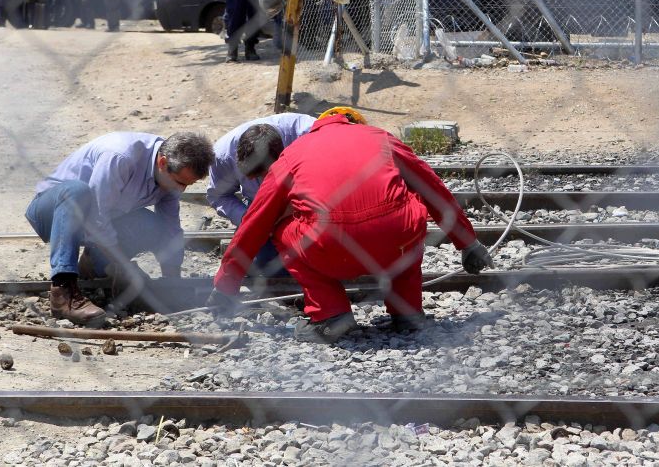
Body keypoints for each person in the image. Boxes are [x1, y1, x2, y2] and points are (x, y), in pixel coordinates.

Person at [205, 113, 494, 343]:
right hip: (395, 244)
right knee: (410, 212)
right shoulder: (380, 137)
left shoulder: (291, 157)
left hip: (329, 250)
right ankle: (407, 312)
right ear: (352, 122)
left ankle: (331, 314)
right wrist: (467, 242)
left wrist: (225, 286)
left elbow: (254, 226)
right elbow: (433, 188)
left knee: (280, 229)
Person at [26, 131, 215, 324]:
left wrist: (172, 282)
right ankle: (63, 291)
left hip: (101, 220)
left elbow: (170, 227)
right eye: (180, 182)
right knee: (77, 191)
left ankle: (94, 263)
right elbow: (97, 217)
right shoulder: (120, 157)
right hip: (55, 212)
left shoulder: (171, 173)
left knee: (154, 225)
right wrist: (123, 264)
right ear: (162, 163)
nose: (181, 190)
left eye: (187, 185)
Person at [205, 113, 317, 277]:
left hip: (307, 203)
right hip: (258, 206)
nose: (265, 182)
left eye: (266, 174)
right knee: (263, 265)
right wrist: (250, 220)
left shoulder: (309, 135)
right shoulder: (223, 156)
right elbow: (219, 196)